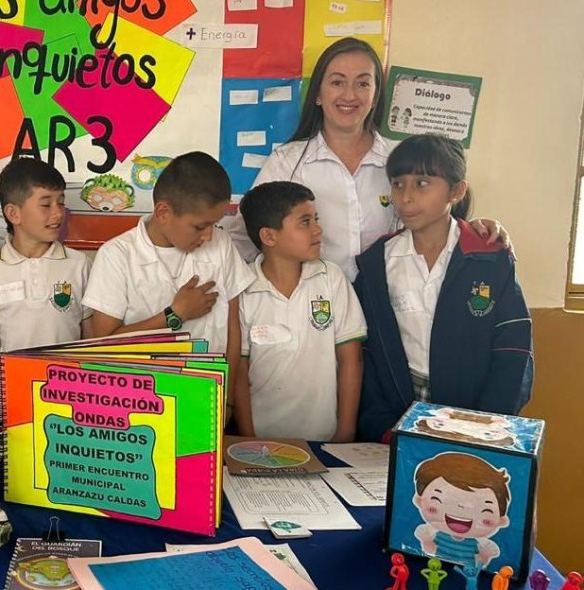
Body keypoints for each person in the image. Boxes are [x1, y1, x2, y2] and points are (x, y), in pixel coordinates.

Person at [221, 37, 507, 281]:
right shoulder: (287, 162)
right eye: (337, 82)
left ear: (375, 94)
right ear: (318, 94)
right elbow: (245, 236)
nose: (349, 95)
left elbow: (435, 220)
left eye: (362, 84)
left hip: (392, 307)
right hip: (313, 315)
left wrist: (474, 229)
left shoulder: (400, 161)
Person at [354, 135, 533, 442]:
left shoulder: (489, 257)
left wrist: (485, 425)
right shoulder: (377, 262)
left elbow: (513, 351)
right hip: (398, 415)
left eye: (423, 183)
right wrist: (381, 426)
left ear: (456, 190)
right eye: (398, 184)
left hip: (475, 418)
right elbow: (368, 354)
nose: (406, 197)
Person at [82, 151, 254, 427]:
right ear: (163, 213)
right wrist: (174, 314)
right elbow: (104, 344)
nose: (209, 235)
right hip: (140, 409)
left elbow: (234, 331)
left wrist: (228, 398)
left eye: (215, 224)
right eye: (200, 226)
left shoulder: (221, 245)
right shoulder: (117, 255)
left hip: (208, 402)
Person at [235, 181, 366, 440]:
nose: (318, 230)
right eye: (305, 222)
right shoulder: (243, 288)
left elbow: (351, 360)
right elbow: (239, 372)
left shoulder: (331, 279)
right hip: (262, 439)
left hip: (325, 437)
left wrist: (346, 432)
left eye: (316, 219)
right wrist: (248, 437)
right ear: (269, 236)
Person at [0, 157, 93, 421]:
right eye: (46, 204)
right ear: (14, 214)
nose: (58, 213)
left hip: (70, 393)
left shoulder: (78, 264)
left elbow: (90, 335)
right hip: (11, 394)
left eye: (61, 202)